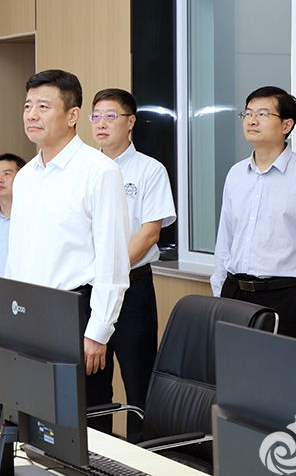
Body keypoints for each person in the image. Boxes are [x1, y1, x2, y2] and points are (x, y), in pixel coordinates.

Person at [4, 70, 129, 434]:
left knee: (82, 424)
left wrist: (98, 331)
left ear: (73, 115)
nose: (31, 114)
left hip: (76, 314)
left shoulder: (99, 172)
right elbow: (16, 254)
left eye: (43, 106)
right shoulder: (25, 176)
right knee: (33, 417)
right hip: (29, 312)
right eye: (27, 106)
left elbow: (112, 260)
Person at [211, 86, 296, 345]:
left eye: (262, 114)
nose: (252, 120)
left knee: (281, 370)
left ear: (286, 125)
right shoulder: (236, 174)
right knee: (233, 368)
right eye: (247, 113)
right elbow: (226, 240)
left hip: (286, 297)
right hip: (234, 294)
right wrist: (219, 292)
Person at [89, 88, 176, 442]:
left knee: (138, 381)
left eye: (111, 116)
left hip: (132, 287)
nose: (101, 123)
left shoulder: (149, 170)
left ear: (131, 122)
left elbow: (150, 233)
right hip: (88, 289)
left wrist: (109, 273)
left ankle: (144, 456)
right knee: (91, 382)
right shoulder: (85, 169)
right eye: (96, 116)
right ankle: (95, 454)